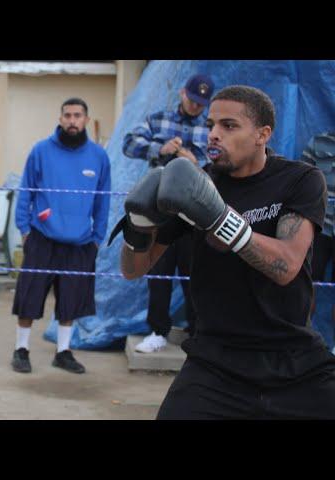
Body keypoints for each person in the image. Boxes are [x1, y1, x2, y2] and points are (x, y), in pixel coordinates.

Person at [113, 85, 335, 419]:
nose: (213, 135)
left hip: (291, 358)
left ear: (263, 134)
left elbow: (286, 265)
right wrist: (138, 227)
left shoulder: (300, 180)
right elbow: (134, 269)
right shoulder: (198, 186)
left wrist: (219, 219)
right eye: (212, 124)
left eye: (228, 126)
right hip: (215, 362)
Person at [11, 98, 111, 374]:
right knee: (29, 298)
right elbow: (26, 191)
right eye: (67, 115)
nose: (72, 121)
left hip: (80, 242)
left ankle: (63, 352)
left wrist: (97, 238)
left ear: (86, 120)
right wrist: (25, 230)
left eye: (77, 115)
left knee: (71, 301)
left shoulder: (99, 157)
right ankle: (22, 349)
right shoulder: (41, 151)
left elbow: (104, 201)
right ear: (60, 118)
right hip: (42, 237)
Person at [122, 74, 215, 353]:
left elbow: (221, 164)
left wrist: (195, 162)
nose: (196, 107)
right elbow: (128, 144)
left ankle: (197, 333)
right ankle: (157, 332)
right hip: (159, 209)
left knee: (195, 273)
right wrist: (158, 148)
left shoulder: (211, 130)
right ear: (182, 94)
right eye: (192, 100)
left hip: (193, 212)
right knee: (158, 271)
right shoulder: (158, 119)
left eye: (202, 104)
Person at [300, 132, 335, 333]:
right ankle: (301, 338)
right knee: (306, 285)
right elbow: (302, 178)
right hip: (318, 227)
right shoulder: (319, 141)